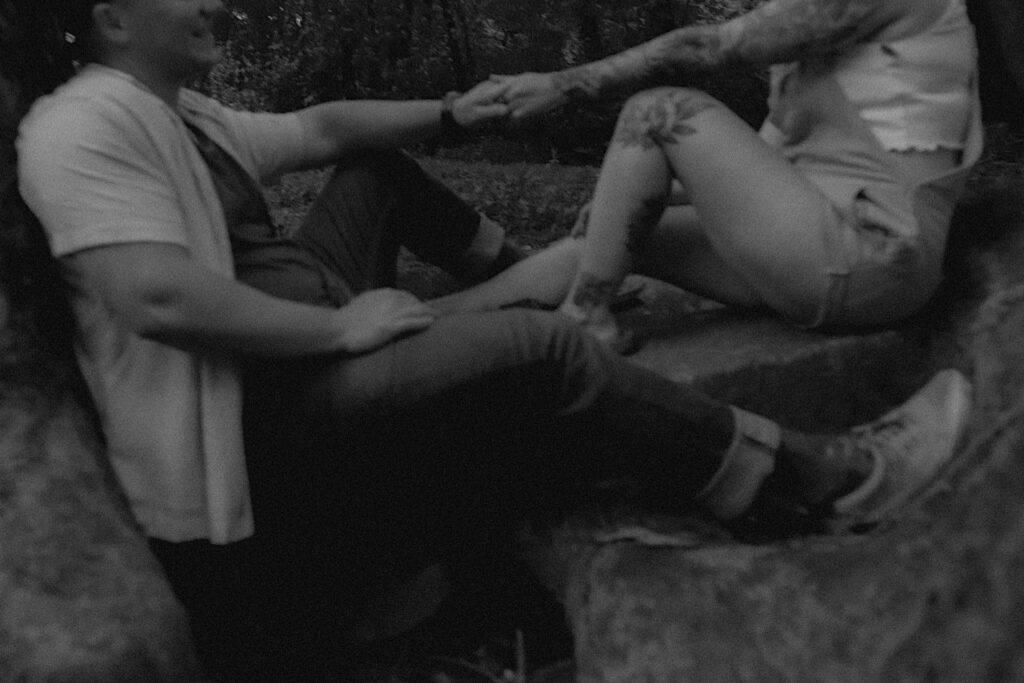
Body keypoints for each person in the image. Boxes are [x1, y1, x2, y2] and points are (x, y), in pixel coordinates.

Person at [17, 0, 971, 678]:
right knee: (543, 349)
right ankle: (815, 478)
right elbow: (155, 299)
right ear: (110, 15)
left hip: (308, 320)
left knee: (391, 176)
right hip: (268, 394)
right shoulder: (80, 127)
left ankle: (505, 286)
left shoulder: (182, 113)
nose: (220, 4)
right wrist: (337, 326)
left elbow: (317, 126)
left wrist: (453, 112)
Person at [436, 0, 984, 353]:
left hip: (872, 258)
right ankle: (434, 321)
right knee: (608, 236)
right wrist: (627, 198)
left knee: (659, 111)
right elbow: (775, 155)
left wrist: (564, 83)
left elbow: (706, 47)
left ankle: (585, 324)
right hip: (812, 244)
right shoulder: (817, 46)